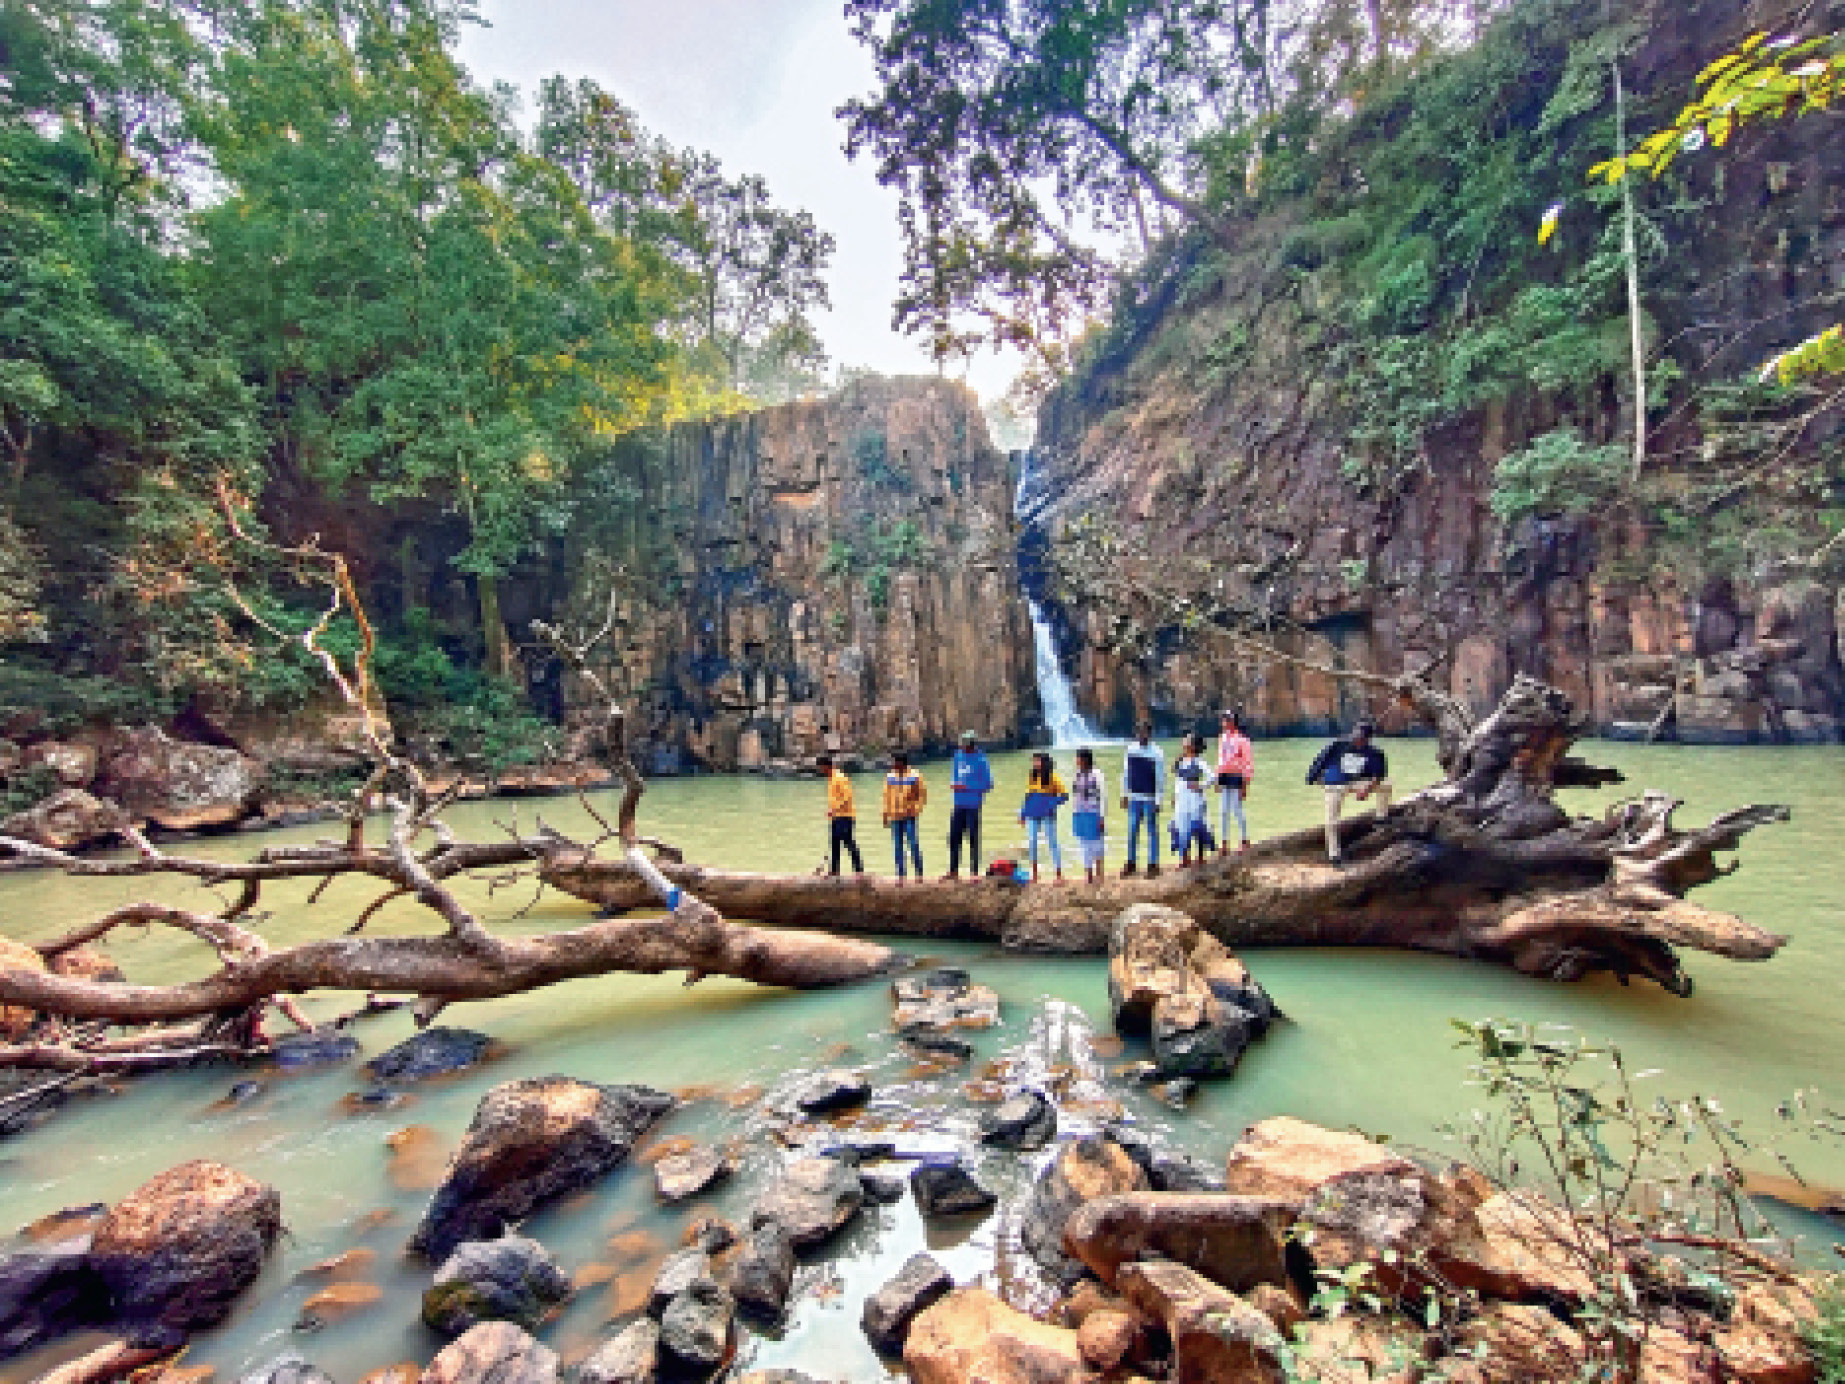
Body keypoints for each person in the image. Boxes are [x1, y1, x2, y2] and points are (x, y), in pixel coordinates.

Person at [1306, 719, 1392, 865]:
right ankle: (1334, 855)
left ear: (1368, 740)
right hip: (1335, 786)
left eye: (1361, 738)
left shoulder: (1375, 753)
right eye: (1356, 737)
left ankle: (1381, 818)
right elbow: (1318, 763)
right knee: (1331, 821)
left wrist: (1367, 790)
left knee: (1386, 784)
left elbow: (1379, 775)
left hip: (1356, 783)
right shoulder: (1337, 745)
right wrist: (1315, 780)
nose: (1357, 741)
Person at [945, 730, 994, 878]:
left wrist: (966, 786)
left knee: (973, 838)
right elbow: (955, 775)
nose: (961, 747)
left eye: (964, 745)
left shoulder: (981, 760)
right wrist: (954, 784)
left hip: (973, 804)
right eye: (961, 744)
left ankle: (974, 872)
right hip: (958, 803)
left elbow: (988, 784)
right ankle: (953, 871)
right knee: (954, 837)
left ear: (972, 745)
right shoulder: (957, 756)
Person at [1120, 721, 1165, 878]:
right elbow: (1126, 773)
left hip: (1149, 797)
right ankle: (1131, 862)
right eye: (1139, 732)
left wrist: (1159, 800)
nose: (1142, 735)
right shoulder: (1130, 750)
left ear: (1150, 734)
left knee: (1151, 831)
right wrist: (1124, 794)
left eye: (1145, 732)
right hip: (1134, 797)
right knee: (1132, 830)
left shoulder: (1157, 752)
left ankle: (1153, 864)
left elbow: (1160, 778)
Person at [1018, 751, 1068, 882]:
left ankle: (1058, 875)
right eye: (1034, 761)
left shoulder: (1053, 777)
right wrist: (1022, 813)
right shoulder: (1032, 776)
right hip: (1032, 813)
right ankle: (1034, 874)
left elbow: (1064, 796)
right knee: (1032, 842)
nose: (1035, 763)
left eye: (1037, 761)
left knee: (1052, 842)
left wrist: (1050, 804)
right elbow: (1028, 795)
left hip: (1047, 814)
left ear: (1044, 762)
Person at [882, 751, 928, 880]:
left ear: (901, 763)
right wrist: (885, 815)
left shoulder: (915, 776)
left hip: (909, 816)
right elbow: (886, 797)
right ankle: (901, 875)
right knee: (897, 847)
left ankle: (919, 873)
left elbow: (922, 795)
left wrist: (916, 809)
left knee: (913, 844)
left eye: (895, 762)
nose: (893, 765)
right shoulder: (890, 776)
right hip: (895, 816)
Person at [1215, 708, 1254, 853]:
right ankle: (1224, 842)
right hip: (1224, 775)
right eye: (1224, 719)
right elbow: (1220, 759)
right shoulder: (1222, 738)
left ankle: (1244, 840)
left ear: (1233, 722)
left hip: (1237, 776)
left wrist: (1245, 783)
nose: (1224, 722)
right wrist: (1217, 778)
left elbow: (1248, 762)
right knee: (1223, 811)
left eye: (1227, 720)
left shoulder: (1243, 740)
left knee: (1237, 809)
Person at [1170, 733, 1212, 867]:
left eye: (1187, 741)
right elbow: (1178, 781)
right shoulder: (1180, 761)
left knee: (1198, 826)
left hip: (1195, 799)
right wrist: (1175, 795)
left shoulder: (1199, 762)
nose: (1184, 742)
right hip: (1182, 798)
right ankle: (1184, 858)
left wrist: (1200, 786)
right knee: (1181, 826)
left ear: (1192, 746)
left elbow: (1212, 777)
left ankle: (1200, 857)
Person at [817, 754, 863, 875]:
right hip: (836, 816)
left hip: (845, 816)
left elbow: (847, 797)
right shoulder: (831, 779)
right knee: (834, 843)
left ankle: (859, 871)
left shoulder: (840, 778)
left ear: (826, 766)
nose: (820, 770)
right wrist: (832, 810)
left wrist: (834, 809)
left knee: (849, 842)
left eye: (821, 767)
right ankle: (834, 871)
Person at [1069, 748, 1107, 885]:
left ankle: (1099, 873)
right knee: (1084, 844)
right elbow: (1076, 795)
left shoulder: (1097, 774)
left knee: (1097, 843)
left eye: (1078, 758)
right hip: (1080, 813)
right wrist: (1074, 812)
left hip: (1094, 812)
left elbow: (1103, 797)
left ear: (1085, 759)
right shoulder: (1077, 774)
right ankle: (1089, 875)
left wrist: (1102, 817)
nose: (1076, 760)